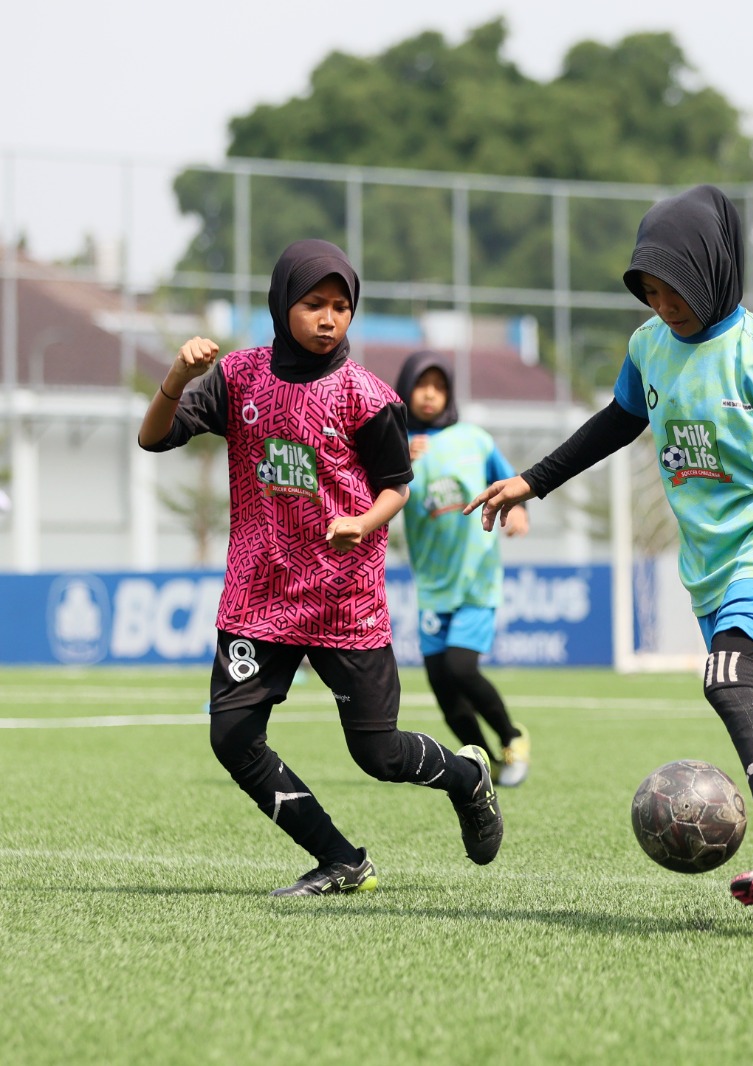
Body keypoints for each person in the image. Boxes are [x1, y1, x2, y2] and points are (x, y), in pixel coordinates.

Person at [469, 186, 753, 926]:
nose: (663, 305)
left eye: (675, 289)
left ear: (713, 273)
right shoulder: (649, 348)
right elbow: (614, 423)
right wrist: (532, 481)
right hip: (712, 568)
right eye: (650, 292)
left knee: (729, 680)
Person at [137, 239, 504, 896]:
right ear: (283, 304)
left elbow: (397, 485)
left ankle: (468, 779)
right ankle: (340, 859)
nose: (329, 318)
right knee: (232, 738)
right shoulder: (239, 377)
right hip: (260, 594)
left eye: (342, 306)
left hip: (344, 597)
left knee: (378, 754)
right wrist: (176, 379)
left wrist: (364, 523)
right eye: (314, 304)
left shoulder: (366, 395)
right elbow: (154, 436)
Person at [394, 351, 533, 787]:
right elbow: (365, 493)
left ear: (449, 393)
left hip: (476, 579)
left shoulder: (474, 437)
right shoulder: (393, 443)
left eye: (439, 386)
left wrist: (521, 509)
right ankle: (486, 762)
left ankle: (513, 736)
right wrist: (399, 459)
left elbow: (510, 481)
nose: (430, 394)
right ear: (405, 390)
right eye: (421, 385)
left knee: (460, 668)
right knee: (443, 688)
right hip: (433, 587)